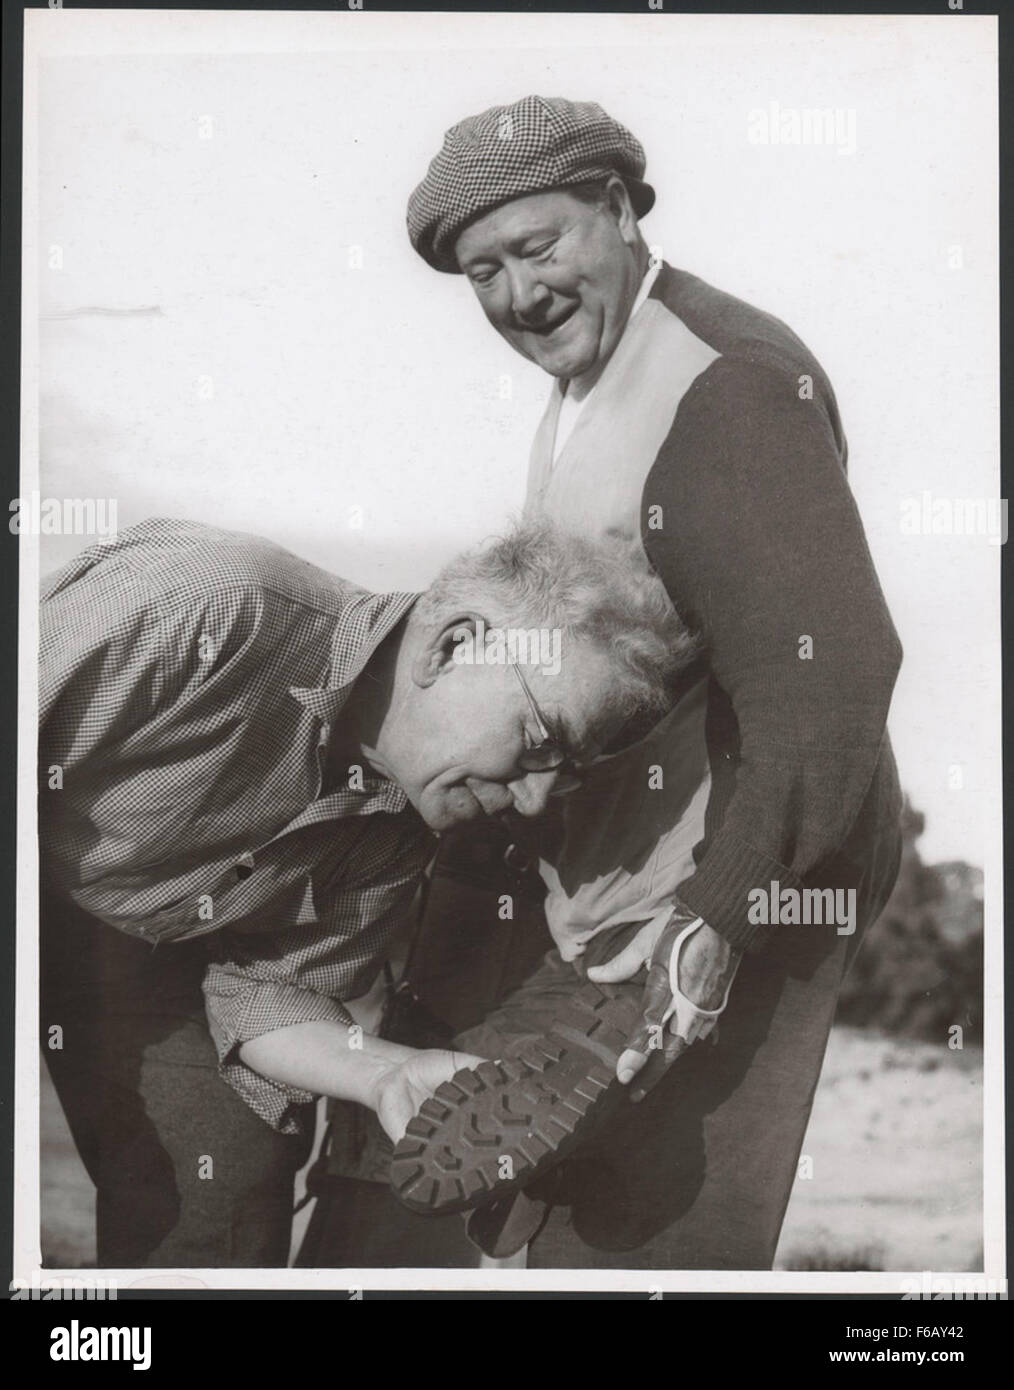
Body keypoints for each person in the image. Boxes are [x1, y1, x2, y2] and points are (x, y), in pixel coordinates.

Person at [396, 95, 905, 1267]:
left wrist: (710, 933)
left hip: (752, 881)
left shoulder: (725, 384)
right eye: (484, 272)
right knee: (572, 1230)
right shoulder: (594, 378)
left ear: (618, 208)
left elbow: (830, 690)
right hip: (633, 887)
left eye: (539, 247)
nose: (518, 295)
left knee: (655, 1253)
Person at [39, 513, 693, 1267]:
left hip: (149, 953)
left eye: (565, 772)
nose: (538, 799)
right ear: (453, 645)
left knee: (228, 1178)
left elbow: (261, 995)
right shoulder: (211, 604)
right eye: (540, 742)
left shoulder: (405, 827)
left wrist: (387, 1073)